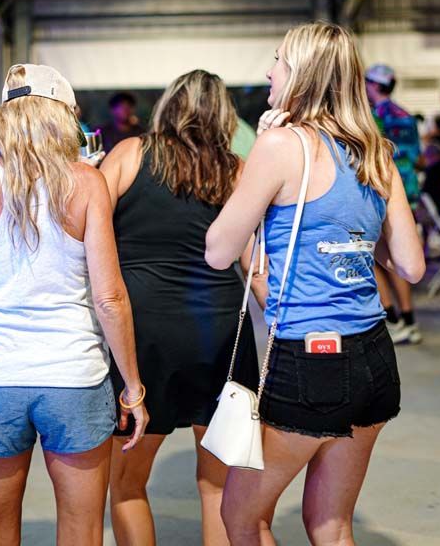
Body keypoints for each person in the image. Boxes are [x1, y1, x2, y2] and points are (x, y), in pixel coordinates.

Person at [205, 23, 425, 546]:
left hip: (310, 358)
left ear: (302, 73)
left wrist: (257, 158)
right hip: (374, 355)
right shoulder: (376, 152)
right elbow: (411, 266)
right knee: (331, 525)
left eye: (278, 59)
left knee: (241, 518)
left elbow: (218, 250)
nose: (269, 71)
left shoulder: (280, 145)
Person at [0, 63, 148, 546]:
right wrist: (133, 388)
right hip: (73, 377)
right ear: (63, 118)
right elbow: (110, 298)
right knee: (81, 530)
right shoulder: (87, 183)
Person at [100, 69, 259, 546]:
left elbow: (86, 226)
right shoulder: (237, 170)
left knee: (127, 484)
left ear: (167, 106)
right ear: (223, 116)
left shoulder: (130, 154)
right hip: (221, 334)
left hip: (144, 336)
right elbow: (255, 266)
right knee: (218, 487)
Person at [365, 63, 423, 345]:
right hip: (409, 191)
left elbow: (372, 155)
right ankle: (408, 320)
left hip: (385, 190)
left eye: (367, 81)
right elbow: (418, 156)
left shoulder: (375, 116)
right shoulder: (405, 115)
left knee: (372, 252)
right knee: (401, 254)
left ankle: (393, 318)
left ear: (376, 85)